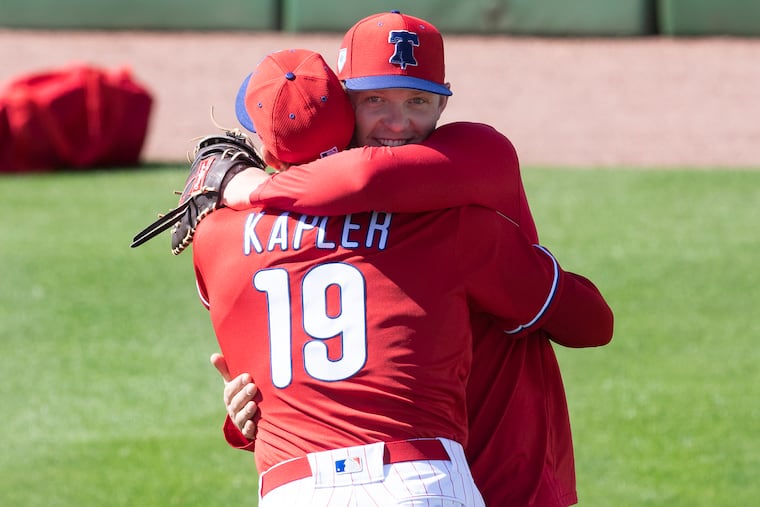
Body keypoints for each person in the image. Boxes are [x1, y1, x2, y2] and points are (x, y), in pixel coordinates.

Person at [214, 11, 614, 506]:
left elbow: (366, 179)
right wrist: (249, 415)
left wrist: (244, 186)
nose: (398, 123)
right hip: (443, 473)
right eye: (375, 99)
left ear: (444, 102)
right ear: (341, 102)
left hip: (500, 468)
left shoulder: (472, 156)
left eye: (419, 101)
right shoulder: (442, 226)